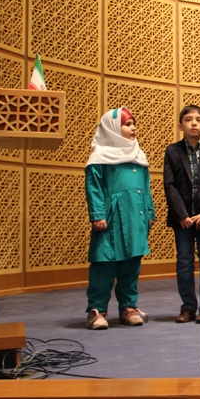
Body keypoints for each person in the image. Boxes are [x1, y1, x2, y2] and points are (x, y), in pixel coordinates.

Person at [84, 107, 155, 330]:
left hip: (136, 217)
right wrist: (98, 214)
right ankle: (97, 310)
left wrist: (149, 212)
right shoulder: (100, 156)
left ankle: (128, 308)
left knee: (131, 265)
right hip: (110, 219)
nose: (133, 128)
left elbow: (146, 188)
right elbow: (94, 187)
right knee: (104, 264)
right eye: (127, 124)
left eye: (134, 124)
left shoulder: (138, 155)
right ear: (112, 128)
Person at [164, 105, 200, 324]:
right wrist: (181, 214)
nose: (194, 123)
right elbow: (169, 185)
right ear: (181, 126)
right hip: (183, 220)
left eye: (198, 119)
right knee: (185, 262)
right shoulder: (172, 151)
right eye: (188, 119)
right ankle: (188, 307)